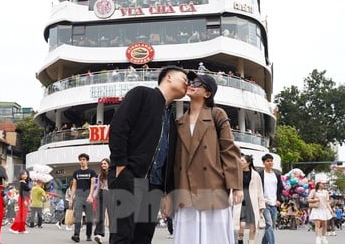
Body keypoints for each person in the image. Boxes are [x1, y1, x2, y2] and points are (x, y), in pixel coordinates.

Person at [108, 65, 189, 244]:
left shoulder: (171, 120)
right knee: (122, 236)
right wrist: (121, 166)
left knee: (143, 238)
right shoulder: (141, 94)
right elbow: (119, 127)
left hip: (154, 186)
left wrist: (166, 192)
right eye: (184, 79)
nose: (187, 84)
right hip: (128, 176)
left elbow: (169, 160)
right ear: (168, 77)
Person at [168, 72, 243, 244]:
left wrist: (237, 186)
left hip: (212, 185)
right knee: (189, 238)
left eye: (197, 83)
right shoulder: (179, 122)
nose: (191, 84)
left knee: (215, 237)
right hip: (185, 188)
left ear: (207, 94)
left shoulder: (217, 115)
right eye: (191, 81)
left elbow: (229, 150)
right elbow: (173, 161)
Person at [234, 155, 265, 244]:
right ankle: (240, 239)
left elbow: (260, 190)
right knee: (241, 224)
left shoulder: (255, 175)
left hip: (253, 200)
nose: (240, 162)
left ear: (248, 163)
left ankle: (251, 242)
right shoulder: (237, 173)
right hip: (240, 199)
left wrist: (261, 204)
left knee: (253, 225)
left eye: (242, 161)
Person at [70, 153, 97, 243]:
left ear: (87, 161)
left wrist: (90, 196)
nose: (82, 161)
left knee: (89, 217)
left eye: (84, 159)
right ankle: (76, 235)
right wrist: (71, 198)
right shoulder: (76, 172)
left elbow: (93, 185)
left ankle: (88, 235)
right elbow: (74, 186)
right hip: (78, 195)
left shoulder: (91, 172)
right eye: (80, 159)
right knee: (78, 216)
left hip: (88, 195)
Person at [259, 153, 283, 244]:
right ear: (263, 163)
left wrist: (279, 200)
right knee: (269, 224)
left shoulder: (277, 175)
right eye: (268, 161)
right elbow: (258, 189)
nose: (270, 163)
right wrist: (262, 200)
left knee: (270, 227)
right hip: (265, 204)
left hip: (274, 204)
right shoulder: (260, 175)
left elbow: (280, 189)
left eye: (271, 161)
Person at [92, 158, 110, 244]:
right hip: (102, 194)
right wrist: (93, 197)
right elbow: (98, 188)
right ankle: (99, 235)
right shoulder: (100, 176)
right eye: (102, 164)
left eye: (105, 163)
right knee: (100, 215)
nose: (103, 165)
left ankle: (114, 236)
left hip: (111, 195)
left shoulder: (113, 174)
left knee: (113, 216)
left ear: (109, 164)